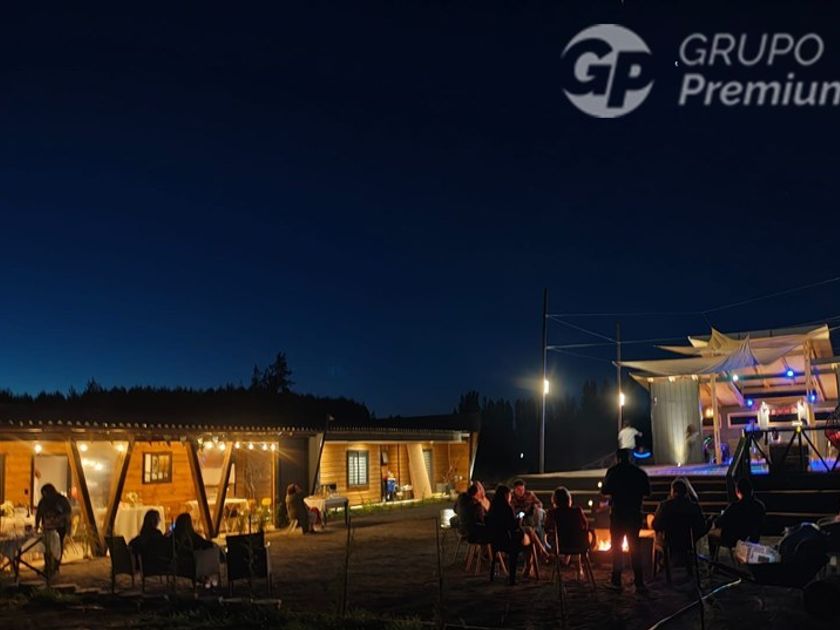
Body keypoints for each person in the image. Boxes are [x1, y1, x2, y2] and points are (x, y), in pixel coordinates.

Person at [601, 449, 650, 593]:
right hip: (634, 513)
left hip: (618, 514)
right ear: (631, 458)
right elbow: (648, 491)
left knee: (617, 548)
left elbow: (604, 490)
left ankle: (616, 581)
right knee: (635, 547)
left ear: (617, 458)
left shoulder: (613, 472)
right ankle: (639, 582)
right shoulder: (639, 472)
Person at [652, 479, 708, 571]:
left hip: (669, 540)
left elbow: (656, 525)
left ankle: (661, 564)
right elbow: (701, 527)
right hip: (688, 541)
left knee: (656, 536)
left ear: (672, 491)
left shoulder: (665, 506)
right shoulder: (694, 507)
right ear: (686, 492)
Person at [486, 484, 530, 585]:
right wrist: (519, 520)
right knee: (530, 536)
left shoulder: (492, 509)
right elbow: (512, 527)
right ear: (506, 495)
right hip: (508, 542)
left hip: (495, 541)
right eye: (509, 495)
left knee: (530, 532)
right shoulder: (507, 508)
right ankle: (529, 567)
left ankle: (531, 566)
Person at [711, 478, 766, 549]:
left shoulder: (734, 507)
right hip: (752, 538)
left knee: (712, 533)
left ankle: (712, 555)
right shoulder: (760, 506)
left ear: (738, 492)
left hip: (733, 539)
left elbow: (721, 521)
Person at [34, 483, 72, 574]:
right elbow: (38, 514)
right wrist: (37, 525)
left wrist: (65, 523)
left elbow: (68, 512)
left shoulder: (61, 500)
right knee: (46, 547)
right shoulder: (43, 501)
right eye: (43, 494)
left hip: (60, 527)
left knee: (58, 546)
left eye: (46, 493)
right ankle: (47, 566)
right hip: (47, 528)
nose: (44, 496)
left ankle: (56, 566)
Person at [511, 479, 547, 549]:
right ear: (514, 490)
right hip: (518, 517)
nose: (521, 492)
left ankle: (541, 546)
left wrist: (536, 506)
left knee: (538, 525)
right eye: (519, 490)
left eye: (522, 489)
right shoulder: (511, 497)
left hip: (529, 515)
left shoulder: (529, 495)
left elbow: (539, 503)